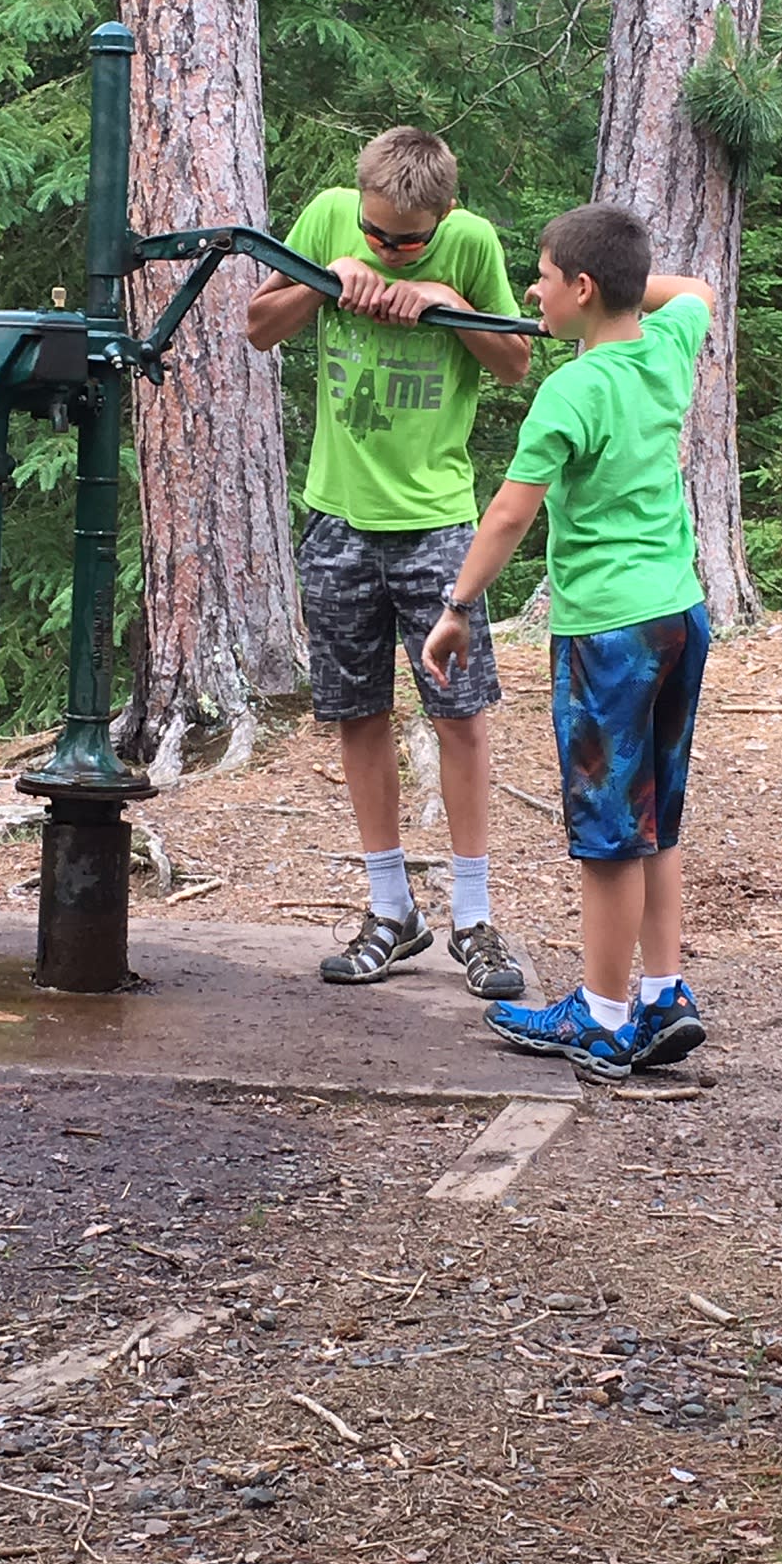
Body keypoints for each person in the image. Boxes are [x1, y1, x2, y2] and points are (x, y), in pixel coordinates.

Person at [421, 203, 714, 1079]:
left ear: (580, 289)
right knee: (656, 815)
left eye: (543, 277)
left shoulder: (572, 390)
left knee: (608, 833)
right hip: (680, 613)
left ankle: (601, 1016)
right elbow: (694, 290)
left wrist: (458, 606)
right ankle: (662, 995)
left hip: (608, 634)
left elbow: (512, 510)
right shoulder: (666, 351)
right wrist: (623, 285)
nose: (530, 292)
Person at [246, 126, 531, 998]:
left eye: (408, 240)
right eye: (377, 234)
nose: (389, 248)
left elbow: (516, 361)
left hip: (437, 521)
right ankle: (389, 907)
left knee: (460, 715)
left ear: (443, 218)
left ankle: (474, 919)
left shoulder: (473, 243)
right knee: (356, 713)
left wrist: (442, 295)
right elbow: (259, 326)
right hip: (337, 516)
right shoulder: (331, 218)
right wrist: (332, 282)